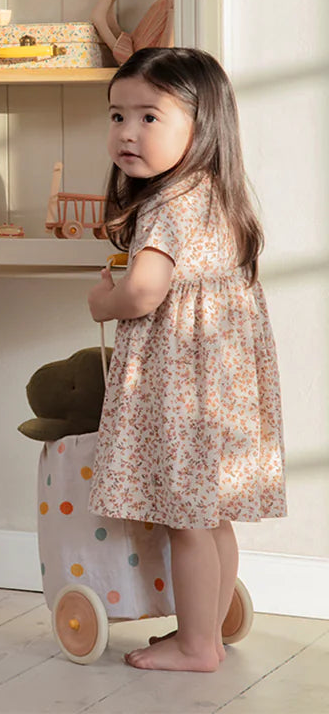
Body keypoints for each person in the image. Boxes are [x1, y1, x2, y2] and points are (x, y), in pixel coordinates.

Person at [86, 48, 286, 672]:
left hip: (184, 388)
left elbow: (143, 291)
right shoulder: (220, 196)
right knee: (212, 516)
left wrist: (102, 301)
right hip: (222, 389)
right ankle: (207, 629)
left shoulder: (168, 205)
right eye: (118, 115)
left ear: (203, 127)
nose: (127, 132)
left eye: (149, 117)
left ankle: (197, 643)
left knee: (186, 523)